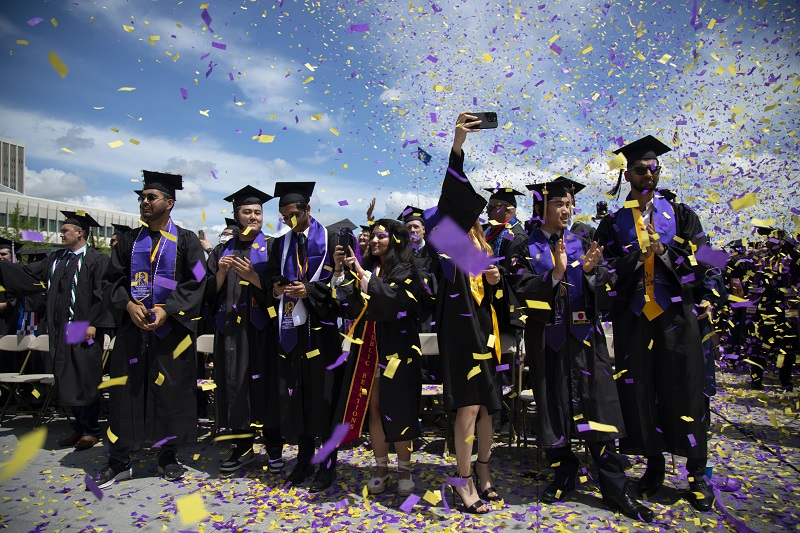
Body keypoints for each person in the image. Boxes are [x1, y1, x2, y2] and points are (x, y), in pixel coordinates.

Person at [514, 177, 654, 522]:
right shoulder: (524, 246)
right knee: (554, 407)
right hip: (547, 341)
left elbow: (608, 284)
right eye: (559, 204)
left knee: (597, 406)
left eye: (569, 204)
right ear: (541, 207)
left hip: (585, 342)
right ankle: (564, 473)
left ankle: (615, 487)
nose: (566, 210)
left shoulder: (584, 241)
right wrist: (556, 274)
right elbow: (520, 288)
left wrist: (589, 273)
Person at [594, 135, 713, 512]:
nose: (648, 173)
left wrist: (666, 252)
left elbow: (708, 258)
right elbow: (603, 272)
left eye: (653, 168)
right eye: (640, 169)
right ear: (627, 174)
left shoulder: (681, 214)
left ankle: (698, 474)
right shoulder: (612, 223)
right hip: (634, 317)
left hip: (676, 316)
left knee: (686, 389)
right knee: (640, 391)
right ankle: (654, 463)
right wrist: (633, 258)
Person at [95, 170, 207, 488]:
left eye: (151, 197)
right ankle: (119, 460)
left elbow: (199, 278)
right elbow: (111, 281)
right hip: (133, 331)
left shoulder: (186, 240)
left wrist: (167, 309)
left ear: (169, 203)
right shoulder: (129, 241)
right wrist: (128, 305)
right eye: (142, 197)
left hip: (170, 333)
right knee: (125, 394)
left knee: (169, 393)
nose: (144, 202)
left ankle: (167, 456)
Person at [428, 113, 504, 514]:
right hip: (460, 333)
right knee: (470, 406)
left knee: (489, 405)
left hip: (485, 330)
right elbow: (450, 190)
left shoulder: (481, 245)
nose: (472, 208)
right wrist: (457, 145)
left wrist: (495, 281)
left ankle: (484, 471)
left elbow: (493, 295)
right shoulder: (446, 239)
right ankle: (463, 480)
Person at [0, 212, 112, 451]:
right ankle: (78, 427)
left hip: (80, 326)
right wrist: (3, 266)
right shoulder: (57, 258)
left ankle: (91, 430)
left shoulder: (95, 259)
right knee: (64, 376)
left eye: (65, 231)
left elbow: (102, 294)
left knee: (82, 376)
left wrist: (93, 323)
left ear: (79, 233)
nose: (61, 235)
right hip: (59, 327)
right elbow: (27, 273)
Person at [265, 181, 348, 493]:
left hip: (323, 332)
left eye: (294, 214)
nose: (289, 220)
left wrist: (310, 290)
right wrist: (277, 288)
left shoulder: (333, 238)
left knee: (323, 398)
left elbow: (344, 284)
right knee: (297, 394)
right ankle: (303, 460)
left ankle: (327, 464)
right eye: (284, 216)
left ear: (308, 209)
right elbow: (271, 278)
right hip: (292, 329)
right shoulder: (280, 244)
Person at [334, 218, 422, 497]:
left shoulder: (407, 268)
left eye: (381, 236)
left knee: (398, 405)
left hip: (397, 344)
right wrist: (341, 271)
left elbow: (397, 300)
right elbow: (349, 304)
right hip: (368, 343)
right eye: (372, 236)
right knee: (374, 407)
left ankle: (404, 469)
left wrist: (364, 275)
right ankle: (381, 467)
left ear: (395, 239)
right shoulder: (369, 267)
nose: (374, 240)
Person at [205, 185, 285, 472]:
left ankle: (274, 448)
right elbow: (206, 292)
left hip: (264, 331)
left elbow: (280, 290)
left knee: (267, 388)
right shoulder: (221, 250)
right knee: (234, 386)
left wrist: (253, 277)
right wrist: (221, 273)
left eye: (258, 212)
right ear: (236, 215)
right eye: (247, 212)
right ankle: (242, 448)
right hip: (230, 331)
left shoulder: (274, 247)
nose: (253, 217)